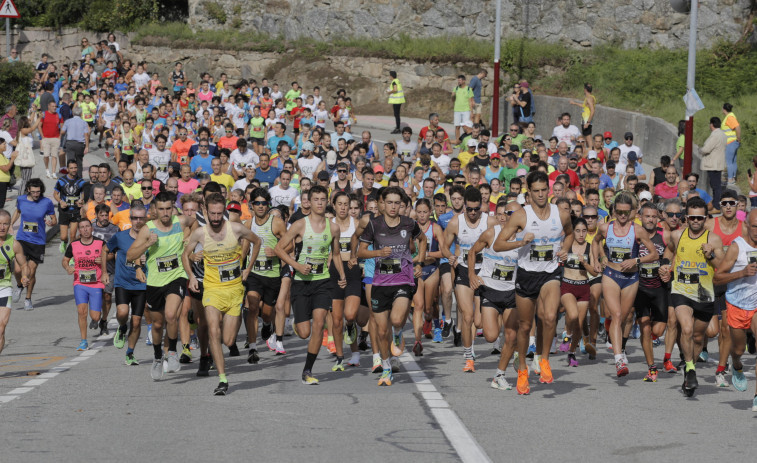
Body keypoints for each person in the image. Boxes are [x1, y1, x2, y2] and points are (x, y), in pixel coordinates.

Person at [493, 171, 573, 395]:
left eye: (543, 190)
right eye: (535, 191)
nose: (540, 195)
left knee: (549, 317)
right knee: (525, 326)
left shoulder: (560, 213)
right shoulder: (520, 215)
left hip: (550, 272)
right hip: (527, 274)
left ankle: (544, 360)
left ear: (549, 190)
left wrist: (565, 249)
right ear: (528, 193)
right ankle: (521, 370)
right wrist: (520, 241)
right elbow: (498, 245)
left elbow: (569, 234)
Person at [184, 193, 261, 396]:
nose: (216, 218)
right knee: (213, 329)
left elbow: (257, 241)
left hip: (234, 290)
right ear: (206, 212)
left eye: (220, 213)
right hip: (212, 289)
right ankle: (222, 379)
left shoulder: (235, 229)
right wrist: (191, 275)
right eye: (213, 214)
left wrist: (247, 268)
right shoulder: (200, 233)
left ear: (224, 211)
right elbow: (186, 255)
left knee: (228, 340)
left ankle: (221, 357)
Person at [274, 185, 346, 385]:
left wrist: (341, 274)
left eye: (323, 199)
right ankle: (298, 322)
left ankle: (308, 370)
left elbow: (337, 254)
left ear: (327, 202)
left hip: (322, 281)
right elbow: (279, 249)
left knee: (319, 323)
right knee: (304, 332)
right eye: (316, 199)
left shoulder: (333, 227)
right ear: (310, 202)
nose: (320, 203)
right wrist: (296, 265)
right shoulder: (299, 225)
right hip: (301, 283)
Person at [358, 187, 426, 386]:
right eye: (390, 202)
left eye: (397, 203)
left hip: (403, 279)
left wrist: (419, 262)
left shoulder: (409, 223)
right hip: (380, 282)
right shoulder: (374, 225)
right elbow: (361, 252)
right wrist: (378, 254)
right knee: (380, 331)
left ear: (401, 205)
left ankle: (397, 332)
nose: (394, 206)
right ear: (383, 204)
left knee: (396, 320)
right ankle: (387, 369)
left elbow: (422, 239)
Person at [660, 197, 726, 397]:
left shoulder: (713, 239)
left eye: (700, 218)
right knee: (686, 329)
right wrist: (664, 264)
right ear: (686, 217)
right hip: (681, 290)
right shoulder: (677, 235)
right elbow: (669, 251)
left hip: (704, 294)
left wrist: (711, 256)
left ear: (705, 218)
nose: (696, 221)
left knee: (698, 338)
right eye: (692, 217)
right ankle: (690, 369)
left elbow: (722, 268)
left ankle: (690, 369)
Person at [126, 191, 196, 381]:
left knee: (172, 315)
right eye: (161, 209)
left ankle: (172, 352)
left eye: (168, 209)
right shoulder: (148, 229)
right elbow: (130, 256)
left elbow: (194, 222)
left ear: (173, 208)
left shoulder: (180, 222)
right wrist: (147, 244)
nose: (165, 213)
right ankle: (158, 358)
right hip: (155, 282)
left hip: (177, 276)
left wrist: (189, 238)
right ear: (155, 209)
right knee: (157, 324)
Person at [593, 191, 659, 377]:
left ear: (631, 212)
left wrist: (636, 261)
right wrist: (601, 258)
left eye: (626, 212)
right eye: (619, 212)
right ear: (613, 210)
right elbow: (596, 242)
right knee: (616, 314)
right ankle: (618, 359)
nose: (622, 216)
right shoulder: (605, 227)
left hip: (631, 278)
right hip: (611, 274)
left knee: (623, 317)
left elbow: (654, 254)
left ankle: (618, 346)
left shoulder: (637, 230)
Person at [468, 201, 521, 389]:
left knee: (511, 335)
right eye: (507, 213)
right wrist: (472, 275)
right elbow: (472, 251)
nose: (509, 216)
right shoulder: (491, 233)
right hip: (490, 290)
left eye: (514, 212)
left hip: (511, 292)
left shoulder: (524, 239)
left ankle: (499, 375)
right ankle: (508, 348)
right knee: (490, 336)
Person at [445, 187, 494, 372]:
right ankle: (468, 357)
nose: (473, 213)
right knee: (467, 316)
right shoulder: (455, 222)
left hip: (484, 273)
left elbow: (502, 242)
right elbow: (444, 245)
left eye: (476, 209)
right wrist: (450, 256)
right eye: (470, 209)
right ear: (464, 206)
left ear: (481, 207)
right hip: (464, 271)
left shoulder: (490, 221)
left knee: (479, 322)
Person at [713, 209, 757, 410]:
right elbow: (718, 277)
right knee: (738, 350)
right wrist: (742, 272)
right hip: (737, 304)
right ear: (747, 225)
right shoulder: (736, 247)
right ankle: (736, 365)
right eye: (755, 226)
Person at [106, 201, 148, 365]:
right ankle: (122, 327)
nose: (138, 222)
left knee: (137, 322)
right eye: (135, 218)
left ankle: (130, 353)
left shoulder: (151, 238)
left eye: (141, 218)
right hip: (122, 282)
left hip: (142, 284)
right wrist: (103, 272)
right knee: (123, 313)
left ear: (145, 219)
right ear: (130, 219)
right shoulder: (120, 236)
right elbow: (105, 250)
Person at [246, 188, 287, 360]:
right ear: (252, 205)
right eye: (257, 203)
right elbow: (243, 249)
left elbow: (289, 246)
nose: (261, 206)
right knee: (253, 307)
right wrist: (242, 268)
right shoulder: (248, 225)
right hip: (254, 274)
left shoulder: (277, 222)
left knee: (267, 313)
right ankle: (253, 348)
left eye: (264, 203)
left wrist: (277, 251)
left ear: (268, 205)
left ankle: (268, 324)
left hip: (272, 275)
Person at [632, 202, 669, 382]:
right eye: (647, 216)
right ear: (640, 217)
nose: (651, 219)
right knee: (645, 327)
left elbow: (673, 253)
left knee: (658, 330)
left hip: (660, 288)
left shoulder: (665, 235)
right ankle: (652, 367)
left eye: (654, 216)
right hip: (640, 287)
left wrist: (667, 267)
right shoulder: (634, 235)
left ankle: (650, 338)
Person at [63, 218, 109, 351]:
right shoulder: (74, 245)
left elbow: (112, 255)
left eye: (87, 226)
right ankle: (83, 341)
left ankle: (96, 320)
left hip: (96, 284)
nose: (85, 229)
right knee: (81, 312)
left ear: (92, 228)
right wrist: (67, 267)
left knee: (95, 316)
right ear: (79, 230)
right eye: (82, 227)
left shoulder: (100, 243)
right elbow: (65, 260)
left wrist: (104, 259)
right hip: (80, 283)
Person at [11, 179, 56, 311]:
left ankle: (28, 299)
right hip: (22, 239)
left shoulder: (47, 202)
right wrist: (10, 224)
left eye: (38, 191)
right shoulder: (21, 199)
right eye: (34, 191)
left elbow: (54, 219)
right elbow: (17, 211)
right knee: (18, 270)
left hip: (38, 241)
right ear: (28, 190)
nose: (36, 194)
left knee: (30, 272)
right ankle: (19, 285)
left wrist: (52, 223)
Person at [0, 210, 30, 355]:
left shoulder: (14, 244)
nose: (2, 227)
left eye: (5, 224)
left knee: (1, 328)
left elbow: (24, 265)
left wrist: (24, 276)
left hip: (4, 288)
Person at [699, 116, 727, 207]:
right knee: (716, 185)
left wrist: (700, 150)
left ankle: (716, 205)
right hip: (718, 163)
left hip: (713, 164)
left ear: (711, 125)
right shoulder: (723, 134)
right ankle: (716, 203)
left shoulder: (715, 135)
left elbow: (707, 149)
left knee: (715, 185)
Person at [60, 106, 90, 174]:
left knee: (70, 161)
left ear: (73, 113)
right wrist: (87, 146)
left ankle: (71, 177)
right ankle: (79, 179)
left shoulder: (68, 121)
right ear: (81, 114)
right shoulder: (84, 123)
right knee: (79, 162)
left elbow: (62, 132)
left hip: (70, 143)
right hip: (80, 144)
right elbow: (86, 135)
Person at [721, 103, 741, 186]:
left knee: (729, 162)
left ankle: (730, 179)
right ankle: (732, 178)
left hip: (731, 142)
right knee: (733, 161)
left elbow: (737, 127)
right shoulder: (730, 116)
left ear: (724, 109)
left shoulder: (730, 117)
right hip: (733, 142)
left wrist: (738, 138)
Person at [452, 75, 474, 143]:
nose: (459, 82)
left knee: (466, 126)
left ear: (464, 81)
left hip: (466, 110)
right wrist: (453, 96)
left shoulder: (468, 89)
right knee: (457, 126)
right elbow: (453, 100)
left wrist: (471, 112)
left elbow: (471, 101)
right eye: (458, 80)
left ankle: (466, 140)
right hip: (457, 110)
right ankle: (457, 140)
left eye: (460, 80)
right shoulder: (455, 89)